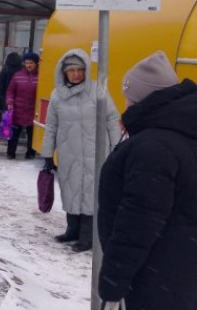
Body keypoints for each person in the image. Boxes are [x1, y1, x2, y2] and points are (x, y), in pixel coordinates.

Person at [97, 51, 197, 310]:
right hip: (181, 272)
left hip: (158, 278)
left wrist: (113, 282)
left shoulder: (155, 148)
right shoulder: (181, 132)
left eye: (130, 99)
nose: (126, 105)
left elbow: (137, 223)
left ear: (146, 99)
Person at [40, 49, 121, 252]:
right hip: (69, 153)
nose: (76, 74)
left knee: (90, 195)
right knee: (71, 191)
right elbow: (51, 126)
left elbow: (112, 119)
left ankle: (87, 238)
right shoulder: (57, 95)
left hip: (96, 154)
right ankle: (72, 230)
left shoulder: (97, 90)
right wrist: (48, 153)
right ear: (64, 72)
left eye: (80, 70)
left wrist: (117, 146)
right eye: (72, 70)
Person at [5, 52, 40, 159]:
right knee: (14, 133)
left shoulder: (41, 76)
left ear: (36, 64)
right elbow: (10, 91)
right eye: (26, 63)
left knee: (32, 134)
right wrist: (10, 101)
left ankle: (30, 154)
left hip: (34, 110)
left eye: (31, 63)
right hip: (18, 109)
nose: (28, 65)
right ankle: (11, 153)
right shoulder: (18, 75)